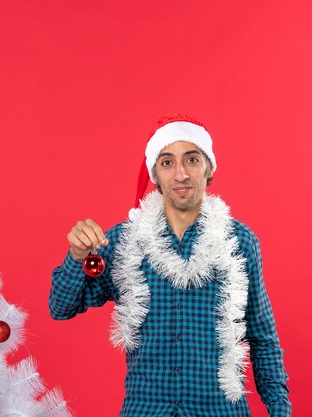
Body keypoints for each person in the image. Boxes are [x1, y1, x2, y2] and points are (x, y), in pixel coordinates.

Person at [49, 114, 291, 417]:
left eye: (191, 160)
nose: (180, 174)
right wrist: (76, 255)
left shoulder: (239, 241)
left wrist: (279, 411)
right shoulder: (125, 241)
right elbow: (61, 307)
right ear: (155, 175)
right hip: (146, 409)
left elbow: (262, 337)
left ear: (209, 169)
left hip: (219, 410)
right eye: (167, 162)